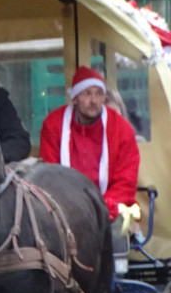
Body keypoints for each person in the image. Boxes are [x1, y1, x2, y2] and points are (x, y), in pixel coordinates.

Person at [39, 65, 141, 221]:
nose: (94, 101)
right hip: (64, 206)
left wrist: (102, 208)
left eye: (99, 94)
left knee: (117, 232)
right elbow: (49, 173)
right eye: (87, 94)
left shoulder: (122, 129)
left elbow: (126, 181)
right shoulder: (53, 124)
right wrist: (69, 207)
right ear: (75, 98)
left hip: (110, 209)